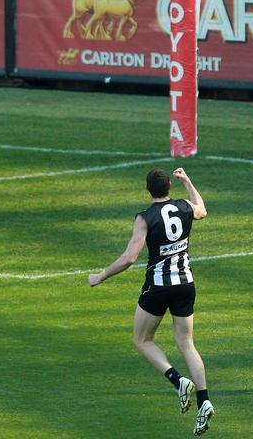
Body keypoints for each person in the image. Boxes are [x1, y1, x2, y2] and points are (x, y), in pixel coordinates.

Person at [88, 167, 214, 436]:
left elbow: (129, 257)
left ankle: (178, 380)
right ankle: (204, 400)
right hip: (185, 284)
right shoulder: (184, 207)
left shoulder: (145, 218)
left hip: (157, 287)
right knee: (186, 343)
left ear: (147, 190)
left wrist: (101, 275)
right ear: (170, 186)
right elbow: (201, 209)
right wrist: (189, 181)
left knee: (142, 340)